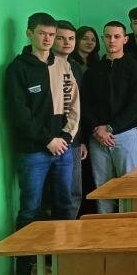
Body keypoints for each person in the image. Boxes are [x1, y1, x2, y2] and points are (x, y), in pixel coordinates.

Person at [3, 12, 80, 275]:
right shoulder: (17, 69)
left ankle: (63, 264)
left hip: (63, 149)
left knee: (64, 206)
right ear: (29, 34)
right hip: (33, 152)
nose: (47, 39)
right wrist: (48, 140)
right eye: (42, 34)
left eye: (51, 35)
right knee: (30, 210)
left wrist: (66, 137)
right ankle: (24, 271)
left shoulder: (62, 66)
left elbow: (73, 104)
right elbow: (20, 114)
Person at [82, 21, 137, 213]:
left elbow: (136, 106)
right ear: (103, 39)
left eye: (117, 37)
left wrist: (110, 127)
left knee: (129, 187)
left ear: (125, 39)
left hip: (125, 135)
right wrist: (97, 129)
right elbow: (85, 104)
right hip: (97, 137)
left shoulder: (135, 68)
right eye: (108, 36)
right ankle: (105, 225)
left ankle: (129, 226)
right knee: (102, 188)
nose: (112, 40)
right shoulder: (93, 70)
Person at [53, 20, 86, 218]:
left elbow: (77, 107)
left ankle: (69, 231)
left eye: (71, 38)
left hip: (72, 140)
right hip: (48, 140)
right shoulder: (43, 66)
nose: (67, 43)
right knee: (51, 196)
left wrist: (80, 140)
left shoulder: (75, 67)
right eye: (61, 38)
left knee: (73, 192)